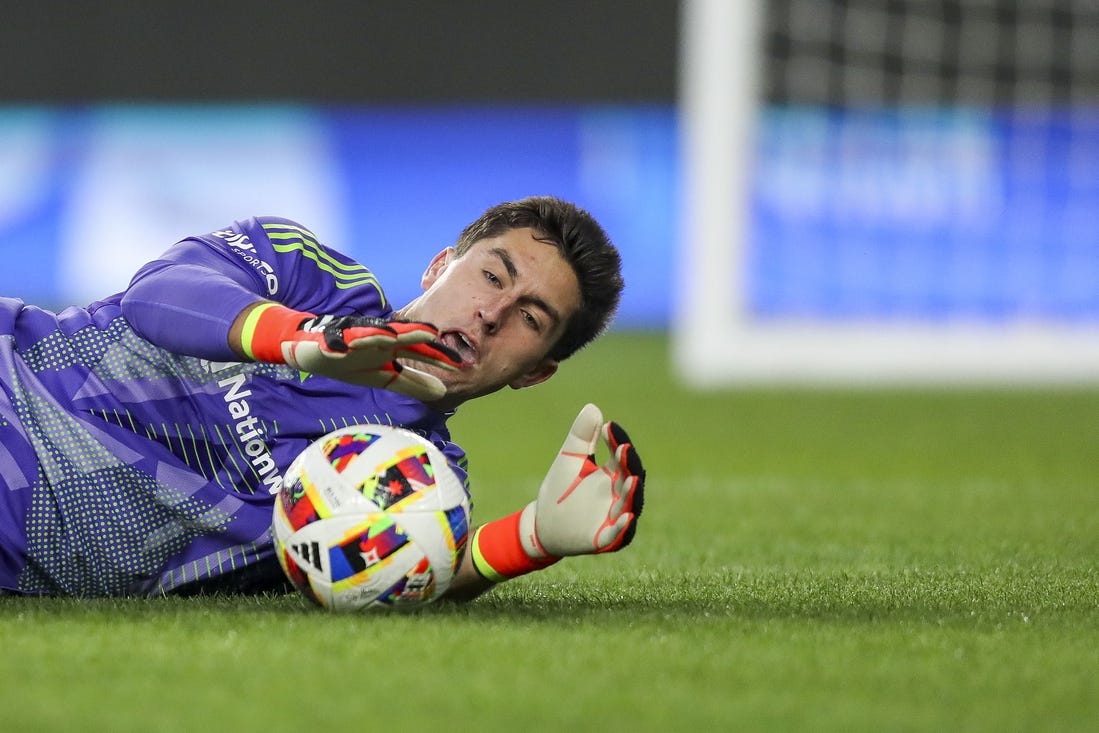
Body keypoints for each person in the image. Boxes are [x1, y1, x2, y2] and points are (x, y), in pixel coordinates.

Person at [0, 195, 645, 601]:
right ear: (438, 266)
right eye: (490, 275)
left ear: (534, 374)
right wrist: (305, 337)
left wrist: (529, 539)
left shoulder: (418, 480)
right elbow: (157, 293)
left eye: (530, 319)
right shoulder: (311, 278)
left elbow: (398, 573)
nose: (490, 313)